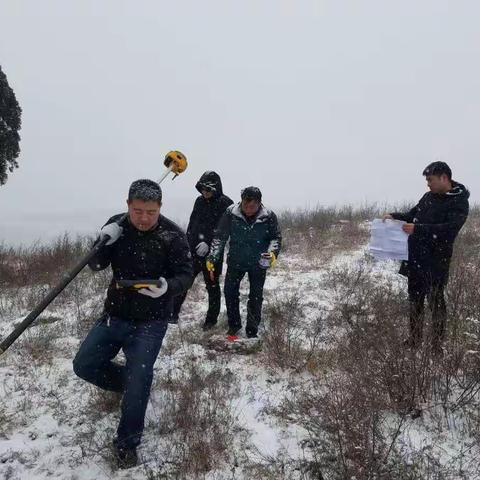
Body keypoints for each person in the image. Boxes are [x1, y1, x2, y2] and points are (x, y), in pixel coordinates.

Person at [73, 179, 193, 469]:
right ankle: (129, 385)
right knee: (84, 364)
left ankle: (127, 443)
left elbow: (187, 273)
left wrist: (167, 287)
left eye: (150, 212)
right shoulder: (117, 226)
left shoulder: (173, 235)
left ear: (160, 208)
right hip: (115, 313)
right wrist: (101, 241)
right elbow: (96, 264)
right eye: (137, 210)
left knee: (139, 378)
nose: (143, 217)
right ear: (128, 206)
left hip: (151, 321)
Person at [383, 162, 469, 352]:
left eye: (430, 180)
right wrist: (394, 216)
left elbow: (449, 230)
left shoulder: (459, 201)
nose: (428, 184)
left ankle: (437, 346)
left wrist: (419, 229)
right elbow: (412, 215)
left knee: (436, 302)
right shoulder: (428, 197)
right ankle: (414, 340)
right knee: (415, 300)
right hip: (415, 258)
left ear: (443, 178)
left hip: (437, 261)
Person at [207, 186, 282, 338]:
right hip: (236, 261)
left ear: (259, 203)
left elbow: (275, 238)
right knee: (230, 292)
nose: (248, 209)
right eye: (245, 205)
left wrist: (272, 254)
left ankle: (252, 329)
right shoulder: (231, 213)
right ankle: (234, 326)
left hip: (258, 263)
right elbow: (220, 237)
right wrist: (212, 257)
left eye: (252, 206)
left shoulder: (268, 216)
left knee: (255, 296)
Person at [171, 171, 233, 329]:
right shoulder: (199, 201)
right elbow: (192, 225)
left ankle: (210, 321)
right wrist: (186, 243)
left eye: (208, 189)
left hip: (212, 255)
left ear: (216, 188)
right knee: (183, 282)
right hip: (192, 252)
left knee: (212, 286)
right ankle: (172, 315)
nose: (205, 192)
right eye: (203, 189)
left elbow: (225, 230)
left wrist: (209, 243)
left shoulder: (226, 204)